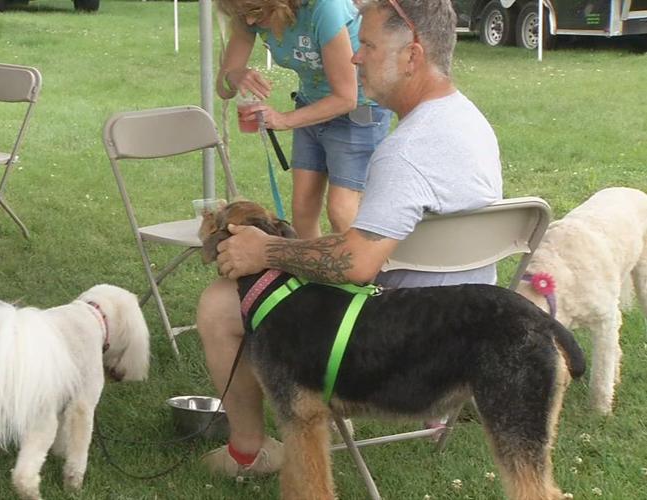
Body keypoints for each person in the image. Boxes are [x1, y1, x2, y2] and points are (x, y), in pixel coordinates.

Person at [198, 0, 503, 477]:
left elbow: (357, 264)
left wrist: (266, 249)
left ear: (412, 57)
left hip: (399, 346)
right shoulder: (469, 120)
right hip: (468, 329)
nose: (356, 56)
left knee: (221, 304)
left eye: (368, 45)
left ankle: (249, 451)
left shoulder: (405, 152)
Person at [216, 0, 391, 239]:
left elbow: (346, 98)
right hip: (310, 107)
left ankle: (367, 264)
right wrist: (234, 76)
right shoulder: (249, 11)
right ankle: (312, 265)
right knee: (302, 211)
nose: (249, 21)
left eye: (255, 12)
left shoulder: (324, 7)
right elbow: (223, 88)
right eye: (241, 14)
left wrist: (284, 119)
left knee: (341, 211)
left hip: (359, 112)